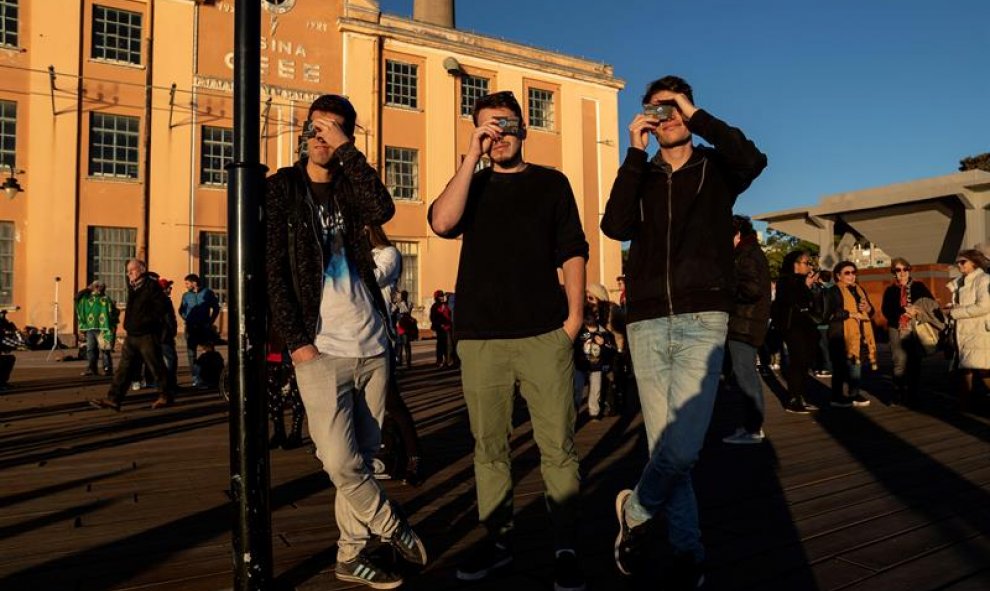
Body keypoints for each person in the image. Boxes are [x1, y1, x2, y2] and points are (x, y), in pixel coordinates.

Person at [600, 75, 767, 585]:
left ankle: (634, 514)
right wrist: (633, 152)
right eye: (655, 109)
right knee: (666, 451)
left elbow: (753, 159)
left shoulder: (716, 169)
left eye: (672, 108)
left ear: (689, 112)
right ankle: (688, 551)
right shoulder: (643, 174)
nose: (665, 116)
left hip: (702, 319)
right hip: (648, 322)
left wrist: (694, 113)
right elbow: (615, 225)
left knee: (683, 448)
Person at [429, 89, 589, 591]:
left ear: (525, 128)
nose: (498, 133)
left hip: (545, 333)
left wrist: (574, 320)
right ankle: (497, 541)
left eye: (506, 123)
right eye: (487, 125)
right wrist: (471, 156)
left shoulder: (552, 183)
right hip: (481, 338)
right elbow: (440, 222)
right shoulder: (470, 186)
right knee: (489, 449)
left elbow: (573, 251)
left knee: (557, 447)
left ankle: (565, 545)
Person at [265, 94, 426, 589]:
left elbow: (384, 207)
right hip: (320, 348)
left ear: (345, 138)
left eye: (332, 130)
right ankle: (387, 523)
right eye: (315, 127)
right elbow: (272, 271)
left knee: (367, 455)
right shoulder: (282, 189)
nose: (320, 137)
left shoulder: (351, 192)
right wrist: (297, 342)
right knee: (337, 458)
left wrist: (349, 155)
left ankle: (351, 554)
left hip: (372, 345)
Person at [367, 224, 424, 485]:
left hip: (379, 338)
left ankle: (413, 458)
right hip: (352, 339)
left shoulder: (388, 253)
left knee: (392, 401)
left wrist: (354, 254)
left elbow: (374, 277)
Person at [89, 259, 174, 411]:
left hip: (147, 334)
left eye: (132, 270)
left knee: (156, 366)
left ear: (142, 270)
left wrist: (146, 321)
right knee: (124, 368)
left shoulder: (151, 286)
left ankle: (165, 395)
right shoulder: (133, 287)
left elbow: (161, 308)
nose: (129, 274)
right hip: (132, 334)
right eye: (128, 271)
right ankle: (113, 399)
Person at [722, 215, 772, 445]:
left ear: (737, 234)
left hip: (744, 324)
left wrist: (726, 288)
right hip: (748, 323)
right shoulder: (750, 252)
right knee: (744, 376)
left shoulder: (746, 255)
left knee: (745, 377)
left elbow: (751, 290)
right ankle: (749, 426)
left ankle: (753, 428)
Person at [772, 250, 821, 414]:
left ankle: (801, 397)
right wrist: (805, 286)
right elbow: (789, 301)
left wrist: (811, 287)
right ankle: (794, 399)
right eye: (806, 263)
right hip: (793, 327)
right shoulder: (786, 281)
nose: (810, 266)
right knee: (797, 361)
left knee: (805, 362)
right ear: (795, 264)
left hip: (807, 327)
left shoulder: (804, 281)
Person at [881, 257, 934, 404]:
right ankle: (898, 392)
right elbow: (886, 310)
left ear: (909, 270)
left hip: (915, 327)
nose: (902, 273)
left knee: (915, 361)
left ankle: (912, 394)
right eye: (898, 270)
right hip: (896, 328)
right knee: (899, 360)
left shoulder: (919, 287)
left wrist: (917, 311)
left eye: (905, 269)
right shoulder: (890, 290)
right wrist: (903, 311)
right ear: (894, 273)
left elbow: (930, 305)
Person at [826, 261, 877, 408]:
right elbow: (830, 313)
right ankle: (836, 396)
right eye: (847, 273)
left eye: (854, 272)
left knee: (856, 365)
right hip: (839, 334)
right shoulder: (833, 291)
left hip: (858, 334)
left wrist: (868, 308)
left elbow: (871, 312)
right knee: (840, 367)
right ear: (838, 275)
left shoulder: (859, 290)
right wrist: (851, 314)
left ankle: (854, 393)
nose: (851, 276)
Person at [944, 249, 990, 409]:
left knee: (982, 369)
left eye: (963, 262)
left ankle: (966, 401)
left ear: (974, 263)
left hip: (978, 331)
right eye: (958, 262)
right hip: (964, 331)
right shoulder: (961, 281)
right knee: (966, 367)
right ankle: (965, 401)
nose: (959, 265)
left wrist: (955, 312)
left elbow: (984, 306)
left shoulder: (983, 280)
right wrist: (951, 307)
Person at [573, 301, 616, 420]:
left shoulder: (603, 333)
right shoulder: (579, 333)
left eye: (593, 329)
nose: (591, 333)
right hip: (580, 365)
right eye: (589, 330)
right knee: (577, 389)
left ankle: (594, 412)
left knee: (595, 388)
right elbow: (574, 347)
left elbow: (611, 350)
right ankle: (573, 414)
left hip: (596, 365)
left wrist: (603, 344)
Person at [179, 273, 221, 387]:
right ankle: (196, 378)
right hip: (191, 328)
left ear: (194, 283)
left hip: (204, 327)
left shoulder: (208, 293)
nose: (186, 286)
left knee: (208, 351)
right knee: (191, 353)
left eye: (187, 283)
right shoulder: (186, 296)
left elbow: (216, 308)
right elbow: (181, 310)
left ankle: (210, 377)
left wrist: (210, 322)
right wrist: (187, 318)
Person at [75, 280, 119, 377]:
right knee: (91, 349)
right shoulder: (87, 299)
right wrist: (87, 289)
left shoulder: (106, 299)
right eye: (97, 287)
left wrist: (112, 324)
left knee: (105, 350)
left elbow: (114, 312)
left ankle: (107, 369)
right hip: (91, 328)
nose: (100, 289)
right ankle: (92, 368)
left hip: (103, 328)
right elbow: (76, 297)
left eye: (101, 287)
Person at [429, 290, 453, 367]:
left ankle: (448, 360)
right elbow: (433, 318)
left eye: (442, 296)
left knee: (448, 345)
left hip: (448, 327)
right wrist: (440, 324)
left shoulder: (447, 305)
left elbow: (450, 314)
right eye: (440, 296)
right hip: (440, 328)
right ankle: (439, 361)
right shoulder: (434, 306)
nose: (442, 298)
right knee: (440, 345)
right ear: (436, 298)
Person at [394, 290, 415, 368]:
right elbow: (394, 313)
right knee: (399, 344)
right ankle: (399, 361)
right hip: (399, 326)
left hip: (406, 326)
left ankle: (408, 361)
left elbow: (409, 313)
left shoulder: (409, 304)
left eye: (405, 295)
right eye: (402, 295)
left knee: (406, 344)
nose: (403, 297)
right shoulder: (398, 304)